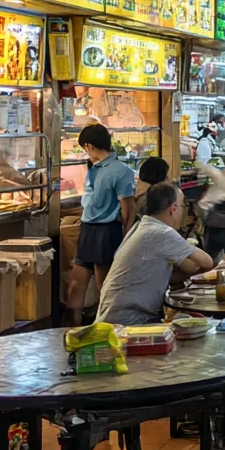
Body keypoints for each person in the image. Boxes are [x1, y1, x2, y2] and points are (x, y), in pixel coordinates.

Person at [93, 182, 214, 326]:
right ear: (173, 209)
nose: (184, 212)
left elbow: (186, 269)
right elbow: (207, 262)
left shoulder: (142, 226)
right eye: (183, 205)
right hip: (128, 321)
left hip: (116, 316)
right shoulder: (161, 232)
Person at [67, 123, 137, 321]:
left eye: (84, 149)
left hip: (107, 231)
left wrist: (126, 238)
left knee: (103, 285)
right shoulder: (93, 167)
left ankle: (106, 325)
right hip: (87, 229)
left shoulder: (122, 171)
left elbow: (128, 208)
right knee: (75, 284)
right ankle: (72, 328)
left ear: (88, 146)